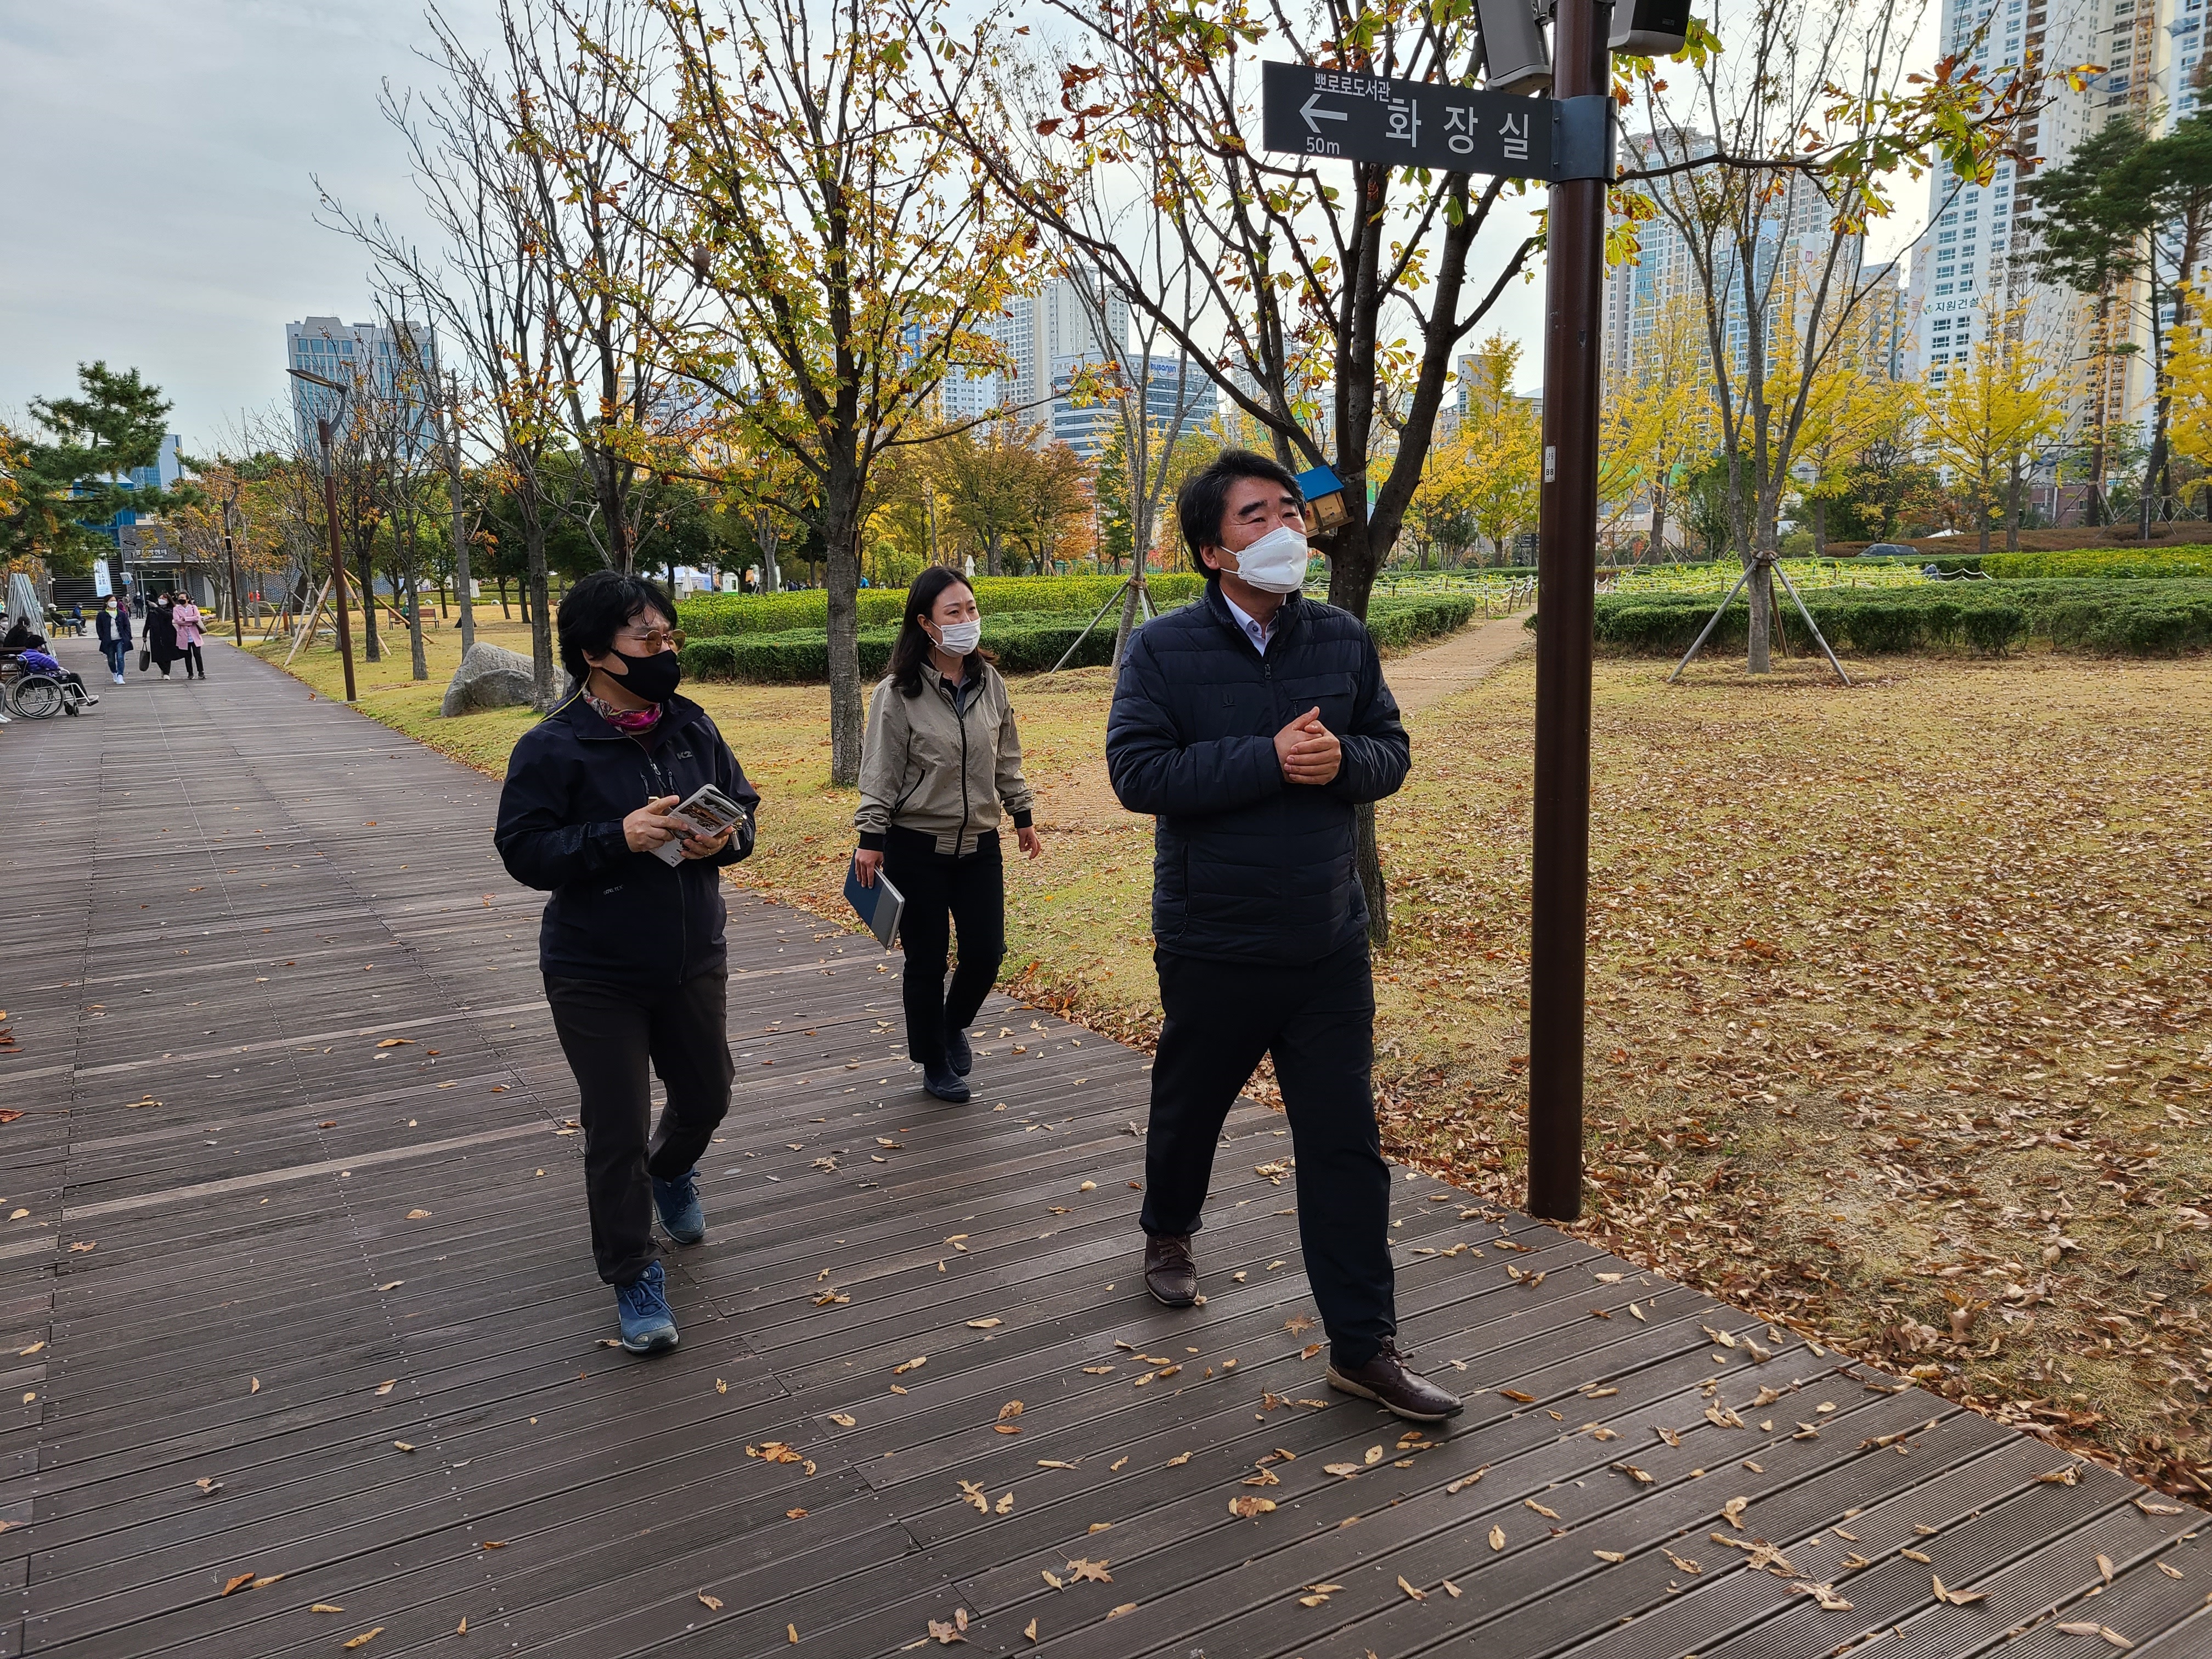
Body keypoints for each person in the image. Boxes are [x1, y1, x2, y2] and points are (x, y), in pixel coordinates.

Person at [1104, 449, 1462, 1425]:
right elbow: (1137, 774)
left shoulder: (1341, 638)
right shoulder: (1162, 648)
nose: (1285, 532)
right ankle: (1168, 1227)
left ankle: (1362, 1347)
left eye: (1290, 514)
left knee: (1346, 1146)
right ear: (1215, 550)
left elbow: (1387, 750)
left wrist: (1343, 757)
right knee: (1190, 1108)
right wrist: (1265, 759)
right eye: (1257, 518)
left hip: (1325, 942)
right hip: (1214, 940)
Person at [494, 571, 759, 1356]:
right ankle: (632, 1271)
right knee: (616, 1126)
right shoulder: (552, 745)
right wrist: (619, 836)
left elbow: (743, 812)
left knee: (708, 1095)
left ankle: (671, 1172)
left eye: (669, 638)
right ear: (593, 653)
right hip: (594, 967)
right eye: (648, 639)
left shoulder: (691, 725)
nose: (664, 652)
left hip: (691, 952)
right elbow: (524, 851)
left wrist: (726, 839)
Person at [853, 568, 1040, 1104]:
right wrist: (871, 835)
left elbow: (1006, 755)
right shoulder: (898, 693)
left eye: (972, 609)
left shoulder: (990, 683)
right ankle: (934, 1062)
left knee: (986, 952)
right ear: (926, 624)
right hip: (917, 847)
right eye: (953, 613)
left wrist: (1021, 814)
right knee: (927, 961)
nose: (967, 621)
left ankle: (950, 1024)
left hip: (980, 844)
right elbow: (881, 769)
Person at [94, 597, 132, 685]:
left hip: (120, 639)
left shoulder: (122, 614)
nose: (114, 603)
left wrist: (127, 636)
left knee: (120, 658)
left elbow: (127, 626)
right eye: (111, 601)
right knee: (111, 659)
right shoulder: (102, 615)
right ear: (107, 603)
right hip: (109, 641)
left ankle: (120, 675)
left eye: (115, 601)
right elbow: (99, 628)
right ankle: (114, 673)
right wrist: (103, 637)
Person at [172, 593, 208, 679]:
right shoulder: (176, 609)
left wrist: (185, 619)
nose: (181, 599)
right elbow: (177, 621)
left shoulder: (193, 608)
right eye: (179, 598)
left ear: (187, 599)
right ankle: (190, 673)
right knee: (187, 656)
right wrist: (191, 621)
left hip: (194, 635)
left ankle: (201, 672)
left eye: (183, 598)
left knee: (198, 654)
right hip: (184, 636)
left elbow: (197, 618)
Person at [144, 593, 179, 678]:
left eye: (164, 598)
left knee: (168, 654)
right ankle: (163, 669)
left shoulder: (171, 609)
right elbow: (148, 623)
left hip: (168, 634)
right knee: (157, 654)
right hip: (155, 634)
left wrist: (157, 608)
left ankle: (166, 672)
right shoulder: (152, 610)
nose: (161, 599)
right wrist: (144, 634)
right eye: (160, 598)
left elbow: (168, 616)